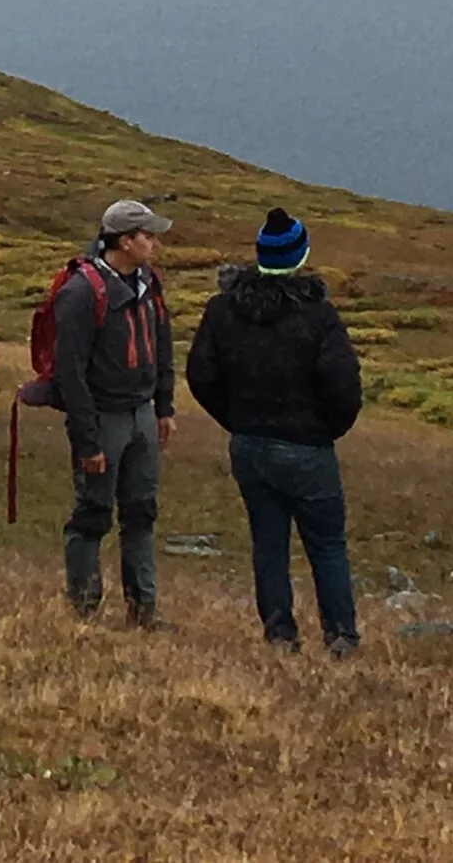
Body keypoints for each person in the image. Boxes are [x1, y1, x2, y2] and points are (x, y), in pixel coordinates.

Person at [184, 206, 364, 654]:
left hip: (249, 444)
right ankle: (340, 634)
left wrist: (237, 419)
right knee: (326, 544)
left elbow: (201, 375)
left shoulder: (223, 309)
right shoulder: (319, 316)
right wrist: (327, 430)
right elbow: (344, 387)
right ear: (301, 256)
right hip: (308, 448)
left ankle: (280, 634)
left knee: (268, 541)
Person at [55, 199, 177, 625]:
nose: (156, 243)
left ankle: (143, 610)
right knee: (92, 513)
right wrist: (87, 440)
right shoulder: (81, 293)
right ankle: (84, 609)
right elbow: (71, 374)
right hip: (104, 418)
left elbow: (162, 344)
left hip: (141, 413)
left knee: (141, 510)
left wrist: (163, 406)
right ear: (125, 241)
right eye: (148, 236)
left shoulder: (148, 282)